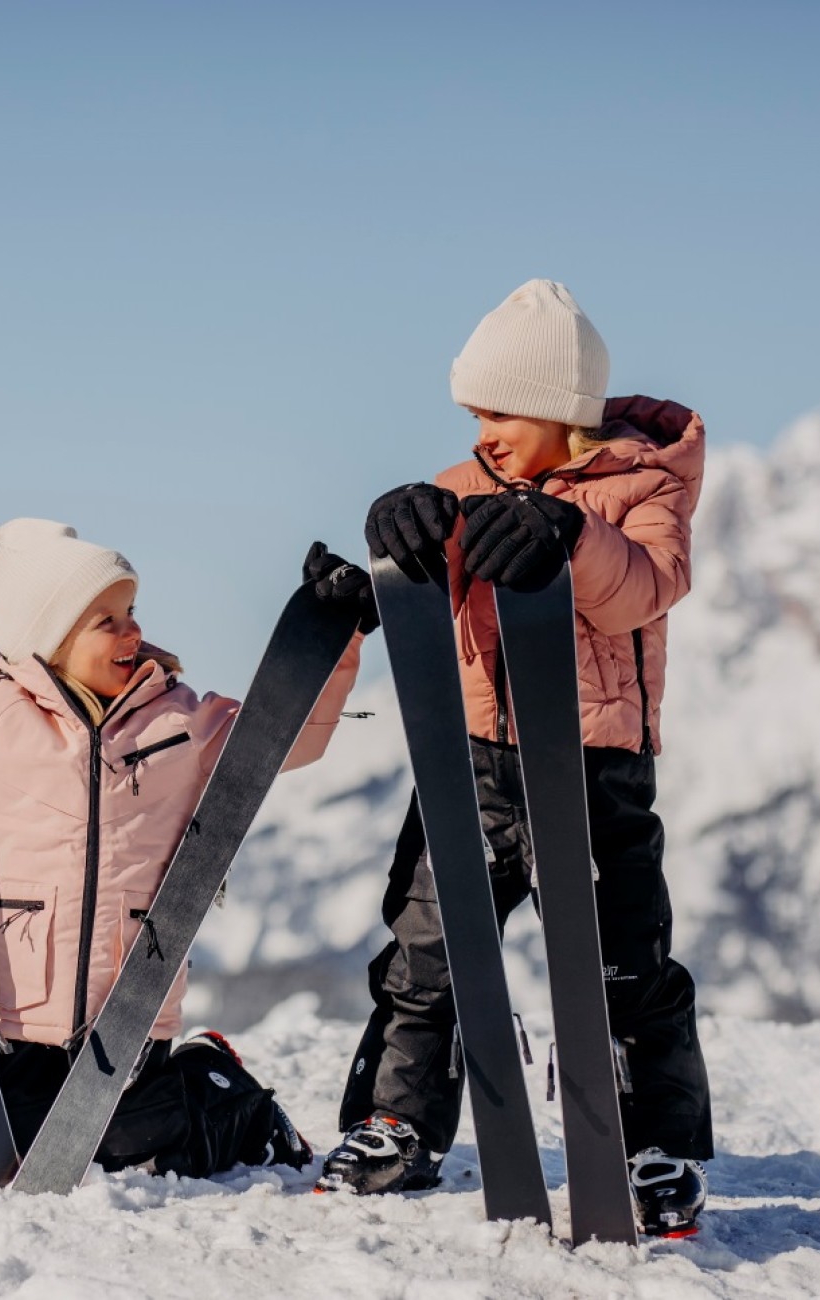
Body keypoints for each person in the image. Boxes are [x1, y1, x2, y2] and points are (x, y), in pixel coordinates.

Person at [0, 472, 376, 1178]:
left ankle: (225, 1096)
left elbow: (287, 738)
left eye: (132, 611)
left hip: (128, 1016)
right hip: (10, 1019)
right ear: (49, 637)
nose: (134, 631)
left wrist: (334, 639)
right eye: (108, 621)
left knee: (127, 1148)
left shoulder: (181, 721)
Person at [319, 280, 714, 1236]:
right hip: (469, 766)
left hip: (593, 773)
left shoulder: (644, 486)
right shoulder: (465, 488)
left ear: (559, 408)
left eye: (498, 413)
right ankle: (395, 1125)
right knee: (428, 953)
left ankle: (651, 1147)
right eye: (473, 416)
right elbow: (424, 589)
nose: (483, 434)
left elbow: (645, 587)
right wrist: (396, 539)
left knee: (622, 966)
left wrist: (571, 535)